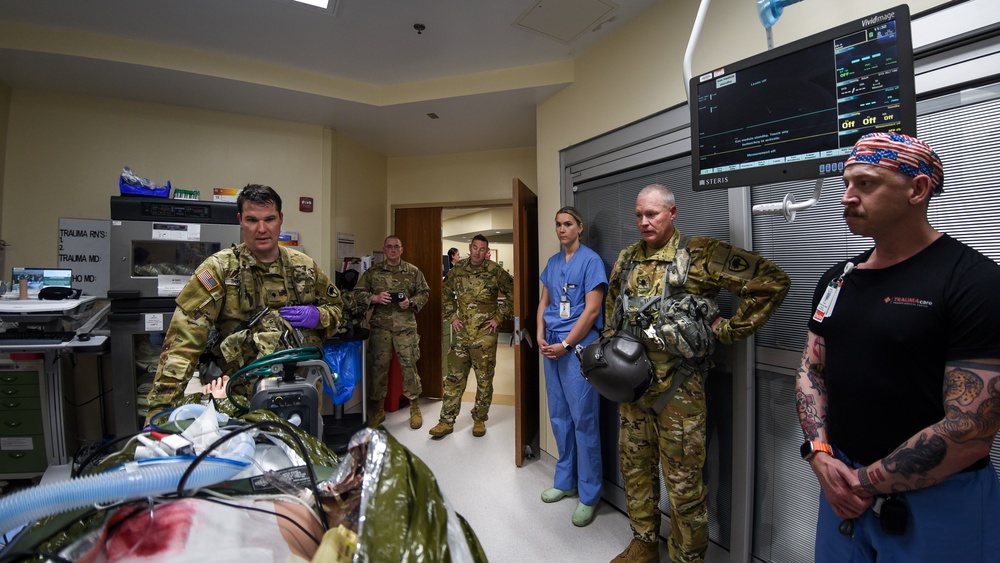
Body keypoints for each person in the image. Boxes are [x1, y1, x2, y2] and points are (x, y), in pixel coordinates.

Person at [796, 133, 1000, 562]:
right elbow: (811, 371)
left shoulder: (973, 282)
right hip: (841, 490)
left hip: (939, 499)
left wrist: (863, 482)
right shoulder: (839, 279)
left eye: (866, 184)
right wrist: (819, 455)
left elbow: (971, 430)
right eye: (846, 184)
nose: (847, 197)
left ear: (917, 189)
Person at [608, 184, 790, 563]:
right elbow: (613, 312)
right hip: (632, 389)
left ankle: (685, 559)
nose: (644, 222)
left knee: (685, 487)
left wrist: (726, 331)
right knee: (636, 471)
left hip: (679, 394)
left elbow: (771, 282)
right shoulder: (626, 258)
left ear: (672, 213)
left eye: (652, 214)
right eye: (639, 215)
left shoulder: (702, 254)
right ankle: (644, 542)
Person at [145, 184, 343, 423]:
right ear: (240, 220)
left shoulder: (305, 266)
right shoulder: (219, 270)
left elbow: (337, 310)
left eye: (269, 219)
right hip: (240, 402)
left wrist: (318, 316)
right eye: (252, 220)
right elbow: (181, 346)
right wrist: (159, 415)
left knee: (301, 456)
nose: (262, 229)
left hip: (302, 394)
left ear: (280, 219)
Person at [536, 206, 608, 527]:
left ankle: (590, 494)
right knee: (560, 417)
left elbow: (591, 312)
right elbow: (545, 303)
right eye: (558, 225)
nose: (562, 229)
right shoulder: (553, 263)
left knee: (584, 420)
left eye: (567, 224)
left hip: (577, 349)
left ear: (579, 227)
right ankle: (565, 482)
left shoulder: (591, 262)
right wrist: (539, 335)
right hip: (550, 346)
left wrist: (565, 345)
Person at [430, 234, 514, 438]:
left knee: (484, 380)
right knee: (453, 378)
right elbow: (445, 293)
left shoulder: (495, 271)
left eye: (482, 249)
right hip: (461, 334)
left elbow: (514, 292)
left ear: (487, 251)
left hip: (485, 335)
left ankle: (479, 419)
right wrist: (451, 316)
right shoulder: (458, 269)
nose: (478, 252)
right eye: (475, 248)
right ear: (470, 247)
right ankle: (446, 421)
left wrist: (498, 318)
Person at [353, 235, 430, 429]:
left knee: (409, 367)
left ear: (402, 249)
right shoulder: (373, 272)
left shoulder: (413, 272)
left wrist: (410, 302)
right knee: (378, 369)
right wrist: (375, 298)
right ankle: (379, 409)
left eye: (397, 247)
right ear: (384, 249)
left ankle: (414, 407)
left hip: (406, 328)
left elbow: (424, 293)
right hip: (381, 328)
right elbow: (357, 294)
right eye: (389, 247)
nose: (393, 250)